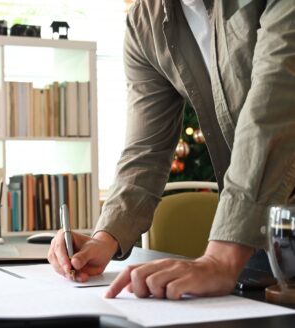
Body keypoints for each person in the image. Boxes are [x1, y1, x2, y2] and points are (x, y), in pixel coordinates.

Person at [48, 0, 295, 300]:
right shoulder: (144, 23)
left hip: (251, 237)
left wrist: (221, 258)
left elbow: (275, 105)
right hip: (269, 240)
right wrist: (105, 238)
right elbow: (145, 149)